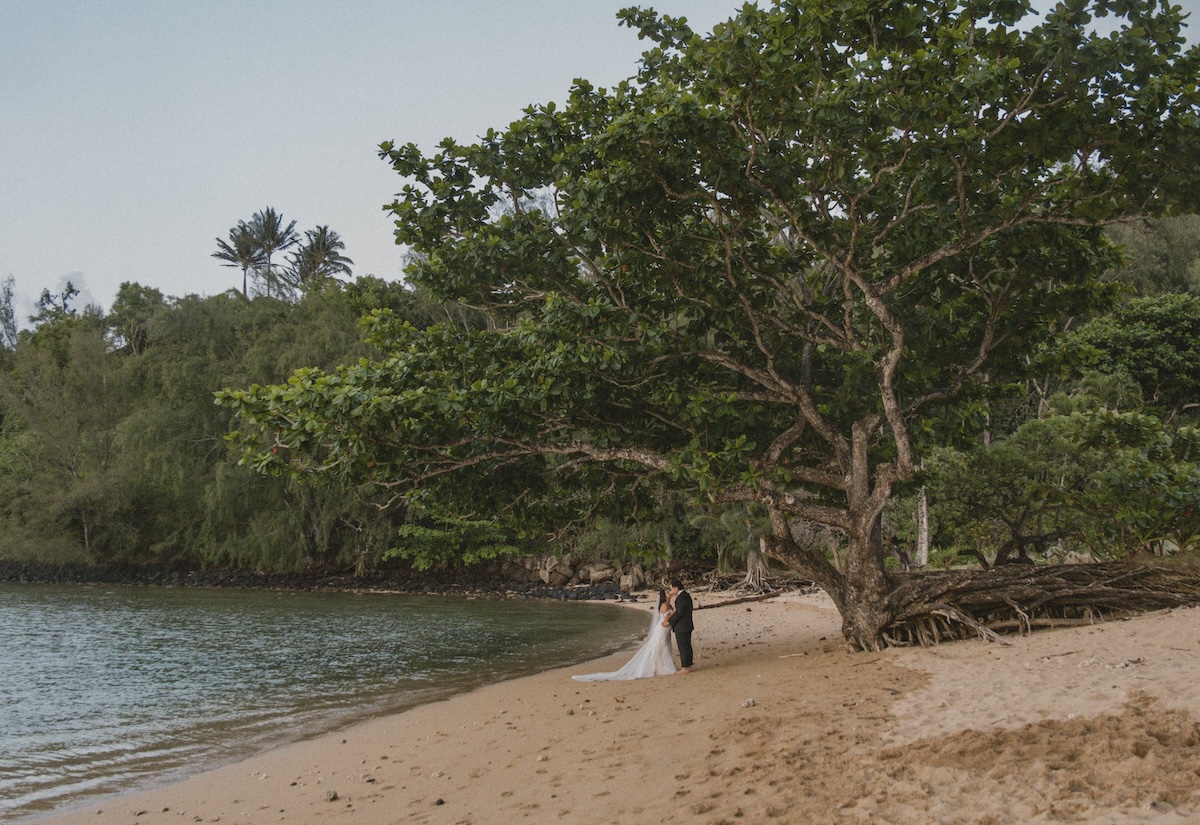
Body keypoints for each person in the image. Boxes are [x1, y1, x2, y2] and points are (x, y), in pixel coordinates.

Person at [572, 589, 677, 681]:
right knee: (658, 647)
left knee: (662, 647)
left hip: (665, 629)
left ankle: (660, 666)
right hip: (661, 629)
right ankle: (659, 667)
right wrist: (674, 612)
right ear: (664, 596)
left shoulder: (669, 605)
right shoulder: (664, 605)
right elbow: (666, 619)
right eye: (667, 592)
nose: (669, 593)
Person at [665, 578, 694, 673]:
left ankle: (685, 667)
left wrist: (669, 622)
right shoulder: (685, 596)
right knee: (686, 645)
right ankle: (688, 665)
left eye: (671, 589)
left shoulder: (682, 597)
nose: (671, 591)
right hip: (686, 625)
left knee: (683, 646)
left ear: (676, 588)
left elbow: (679, 613)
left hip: (682, 626)